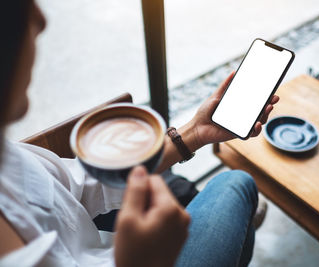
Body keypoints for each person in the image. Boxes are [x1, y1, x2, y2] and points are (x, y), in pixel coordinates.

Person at [0, 1, 279, 266]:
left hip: (108, 247)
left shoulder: (7, 157)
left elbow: (80, 187)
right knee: (235, 185)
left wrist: (195, 133)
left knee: (225, 212)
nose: (42, 20)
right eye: (17, 8)